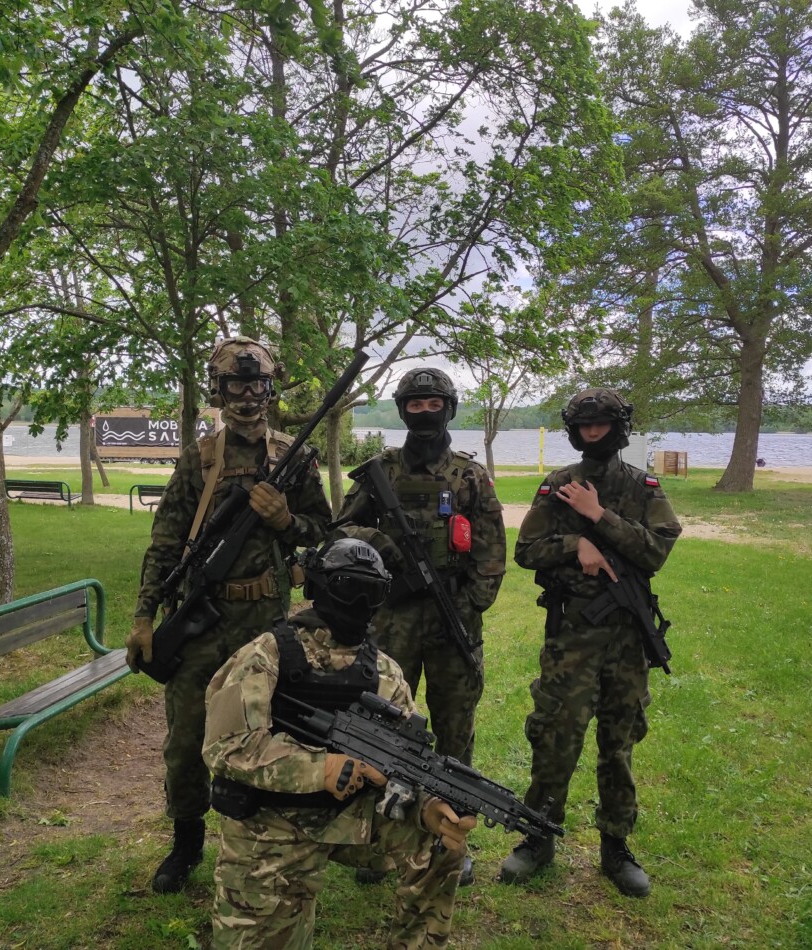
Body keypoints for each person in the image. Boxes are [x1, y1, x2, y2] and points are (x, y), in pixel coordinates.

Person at [126, 336, 332, 894]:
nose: (247, 395)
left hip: (264, 624)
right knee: (186, 738)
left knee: (266, 731)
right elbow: (165, 540)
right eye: (236, 384)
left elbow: (323, 531)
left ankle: (263, 837)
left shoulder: (293, 458)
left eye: (256, 383)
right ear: (219, 391)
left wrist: (286, 521)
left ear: (269, 390)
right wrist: (144, 616)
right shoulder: (200, 458)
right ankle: (186, 841)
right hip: (200, 620)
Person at [202, 538, 478, 949]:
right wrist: (321, 768)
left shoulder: (385, 672)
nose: (360, 602)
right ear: (318, 586)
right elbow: (225, 746)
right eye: (349, 587)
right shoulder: (266, 655)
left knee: (441, 843)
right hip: (271, 823)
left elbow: (406, 761)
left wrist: (427, 807)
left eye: (373, 592)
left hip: (350, 815)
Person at [497, 388, 681, 898]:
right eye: (584, 426)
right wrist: (574, 543)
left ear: (618, 428)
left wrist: (599, 517)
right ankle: (538, 836)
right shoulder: (559, 485)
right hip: (573, 635)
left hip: (626, 638)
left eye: (600, 424)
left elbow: (656, 551)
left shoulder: (643, 487)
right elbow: (526, 550)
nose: (592, 433)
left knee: (618, 744)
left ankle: (615, 846)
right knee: (556, 737)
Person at [331, 367, 505, 885]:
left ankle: (452, 840)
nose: (424, 413)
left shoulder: (470, 476)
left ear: (448, 409)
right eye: (415, 404)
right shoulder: (381, 470)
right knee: (383, 726)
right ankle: (380, 840)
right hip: (393, 617)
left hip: (454, 617)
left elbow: (492, 551)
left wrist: (469, 606)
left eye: (434, 404)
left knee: (455, 730)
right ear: (402, 409)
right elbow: (341, 529)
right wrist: (383, 548)